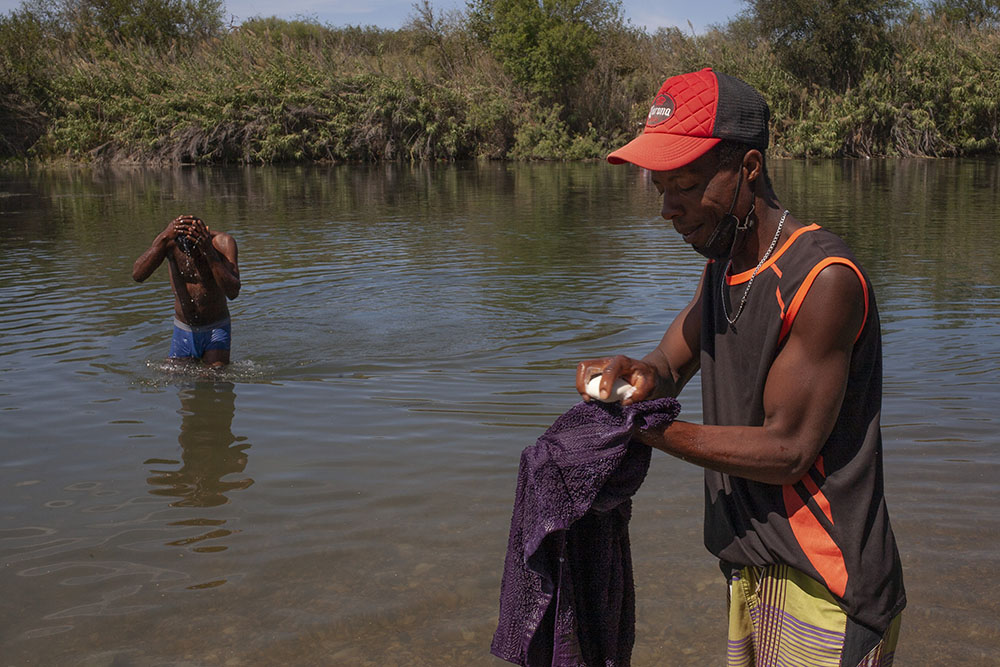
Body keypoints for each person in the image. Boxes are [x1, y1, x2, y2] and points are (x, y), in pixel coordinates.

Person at [576, 68, 905, 666]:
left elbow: (789, 452)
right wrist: (636, 376)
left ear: (749, 168)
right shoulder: (723, 268)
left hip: (826, 586)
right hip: (752, 570)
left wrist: (649, 429)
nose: (669, 209)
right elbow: (669, 365)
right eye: (660, 189)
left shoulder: (822, 280)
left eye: (687, 185)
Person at [132, 215, 240, 367]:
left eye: (195, 248)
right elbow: (138, 275)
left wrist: (209, 252)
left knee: (215, 380)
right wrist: (163, 237)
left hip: (215, 328)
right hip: (183, 328)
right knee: (180, 383)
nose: (191, 255)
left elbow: (233, 292)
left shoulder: (222, 243)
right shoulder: (169, 243)